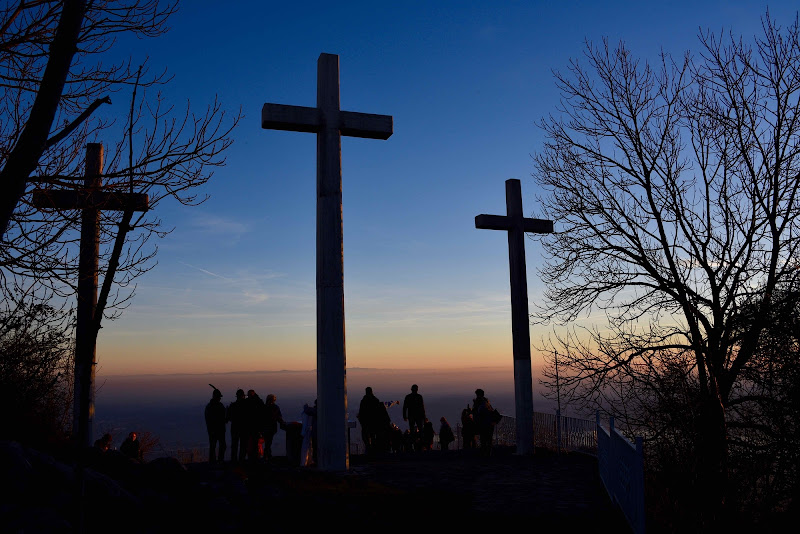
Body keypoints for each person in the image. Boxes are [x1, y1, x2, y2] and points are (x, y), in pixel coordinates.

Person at [204, 385, 227, 464]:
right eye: (219, 397)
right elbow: (211, 420)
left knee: (220, 446)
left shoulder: (213, 406)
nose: (220, 398)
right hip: (215, 430)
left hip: (217, 430)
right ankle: (215, 461)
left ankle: (217, 461)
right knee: (214, 446)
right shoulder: (212, 407)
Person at [357, 386, 383, 455]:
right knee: (373, 436)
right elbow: (378, 412)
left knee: (366, 436)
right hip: (373, 422)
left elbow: (361, 412)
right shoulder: (375, 400)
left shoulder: (364, 401)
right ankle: (373, 449)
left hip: (366, 422)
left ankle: (369, 448)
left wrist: (361, 419)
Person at [242, 389, 264, 463]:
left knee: (250, 444)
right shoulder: (259, 401)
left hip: (250, 427)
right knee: (255, 444)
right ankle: (256, 458)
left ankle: (251, 459)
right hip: (256, 427)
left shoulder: (247, 402)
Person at [472, 388, 496, 457]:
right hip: (489, 423)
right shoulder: (486, 402)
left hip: (484, 424)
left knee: (484, 439)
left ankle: (485, 453)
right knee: (488, 439)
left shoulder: (480, 403)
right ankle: (488, 453)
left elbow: (479, 413)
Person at [262, 394, 286, 461]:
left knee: (268, 441)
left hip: (265, 427)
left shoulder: (263, 407)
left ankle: (267, 455)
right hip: (271, 427)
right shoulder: (275, 407)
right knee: (268, 441)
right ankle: (267, 455)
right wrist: (282, 423)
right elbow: (279, 417)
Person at [402, 384, 426, 450]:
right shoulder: (419, 397)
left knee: (412, 431)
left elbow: (405, 408)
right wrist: (424, 417)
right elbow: (422, 408)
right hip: (418, 416)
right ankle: (421, 446)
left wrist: (405, 416)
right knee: (420, 431)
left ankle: (411, 446)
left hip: (411, 416)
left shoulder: (408, 397)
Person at [227, 389, 247, 463]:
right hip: (244, 428)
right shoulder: (246, 406)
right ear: (243, 396)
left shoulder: (233, 405)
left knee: (234, 445)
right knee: (243, 445)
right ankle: (242, 460)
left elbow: (228, 418)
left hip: (235, 428)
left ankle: (234, 460)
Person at [301, 399, 317, 466]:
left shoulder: (317, 409)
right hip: (317, 432)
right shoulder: (321, 409)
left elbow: (308, 411)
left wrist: (305, 406)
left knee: (315, 447)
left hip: (316, 432)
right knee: (315, 446)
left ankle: (316, 461)